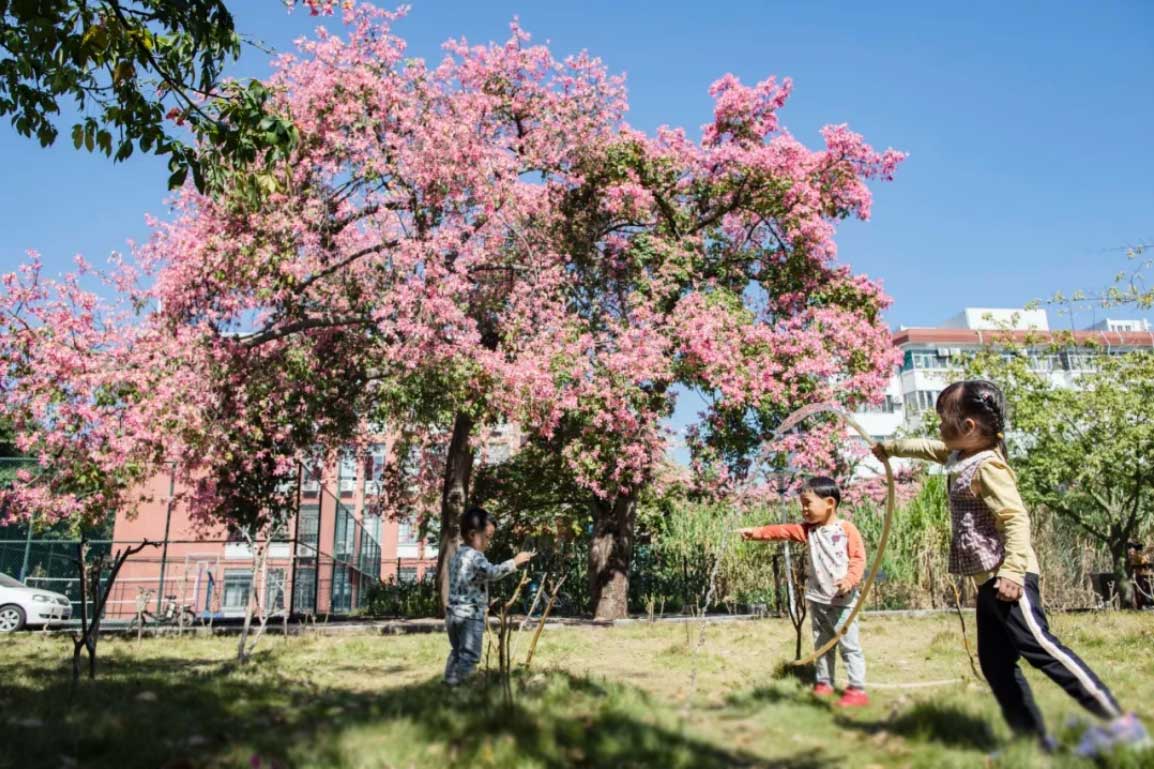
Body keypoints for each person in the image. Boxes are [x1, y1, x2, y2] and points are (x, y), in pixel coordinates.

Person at [873, 379, 1147, 752]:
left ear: (968, 426)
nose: (938, 427)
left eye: (942, 420)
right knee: (996, 664)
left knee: (1042, 647)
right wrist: (890, 448)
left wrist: (1013, 572)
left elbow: (1016, 519)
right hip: (988, 581)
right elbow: (929, 448)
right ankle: (1032, 741)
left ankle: (1119, 723)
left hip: (1008, 578)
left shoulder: (988, 466)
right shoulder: (961, 455)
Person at [738, 476, 869, 707]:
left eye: (808, 503)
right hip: (818, 599)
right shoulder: (809, 531)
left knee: (849, 646)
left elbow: (858, 559)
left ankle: (857, 690)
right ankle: (825, 683)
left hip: (843, 602)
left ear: (829, 503)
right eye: (802, 504)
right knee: (822, 644)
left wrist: (850, 580)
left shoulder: (846, 529)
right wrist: (756, 533)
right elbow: (783, 531)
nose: (804, 509)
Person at [443, 506, 534, 686]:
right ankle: (463, 687)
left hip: (452, 614)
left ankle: (450, 682)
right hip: (469, 616)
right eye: (487, 537)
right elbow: (492, 572)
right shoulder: (475, 556)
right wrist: (514, 562)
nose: (489, 543)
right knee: (470, 656)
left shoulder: (457, 554)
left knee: (457, 651)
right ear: (472, 534)